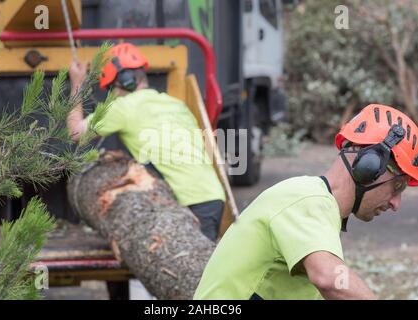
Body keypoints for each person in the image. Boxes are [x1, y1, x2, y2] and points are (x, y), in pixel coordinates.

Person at [194, 104, 418, 299]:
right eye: (397, 186)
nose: (396, 204)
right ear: (369, 167)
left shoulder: (319, 210)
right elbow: (330, 278)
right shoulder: (306, 199)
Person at [67, 42, 226, 241]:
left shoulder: (123, 106)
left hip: (187, 203)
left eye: (110, 89)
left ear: (123, 81)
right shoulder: (177, 105)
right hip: (213, 196)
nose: (112, 95)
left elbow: (75, 133)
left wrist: (77, 84)